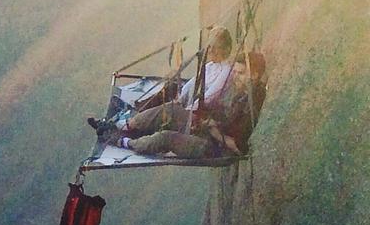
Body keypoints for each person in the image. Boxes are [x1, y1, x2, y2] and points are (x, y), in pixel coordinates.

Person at [110, 50, 266, 160]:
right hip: (208, 129)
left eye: (241, 73)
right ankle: (125, 125)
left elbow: (237, 147)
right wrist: (206, 118)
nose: (236, 77)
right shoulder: (239, 90)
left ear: (255, 75)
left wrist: (213, 129)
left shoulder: (252, 103)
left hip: (214, 148)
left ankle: (124, 142)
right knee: (172, 110)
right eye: (236, 73)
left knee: (166, 138)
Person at [87, 27, 235, 140]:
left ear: (223, 50)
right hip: (190, 102)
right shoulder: (211, 65)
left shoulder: (226, 72)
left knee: (168, 111)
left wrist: (184, 107)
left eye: (213, 49)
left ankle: (120, 126)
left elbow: (210, 97)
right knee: (171, 87)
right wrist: (180, 97)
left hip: (199, 115)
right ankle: (137, 112)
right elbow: (192, 83)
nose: (210, 52)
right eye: (210, 49)